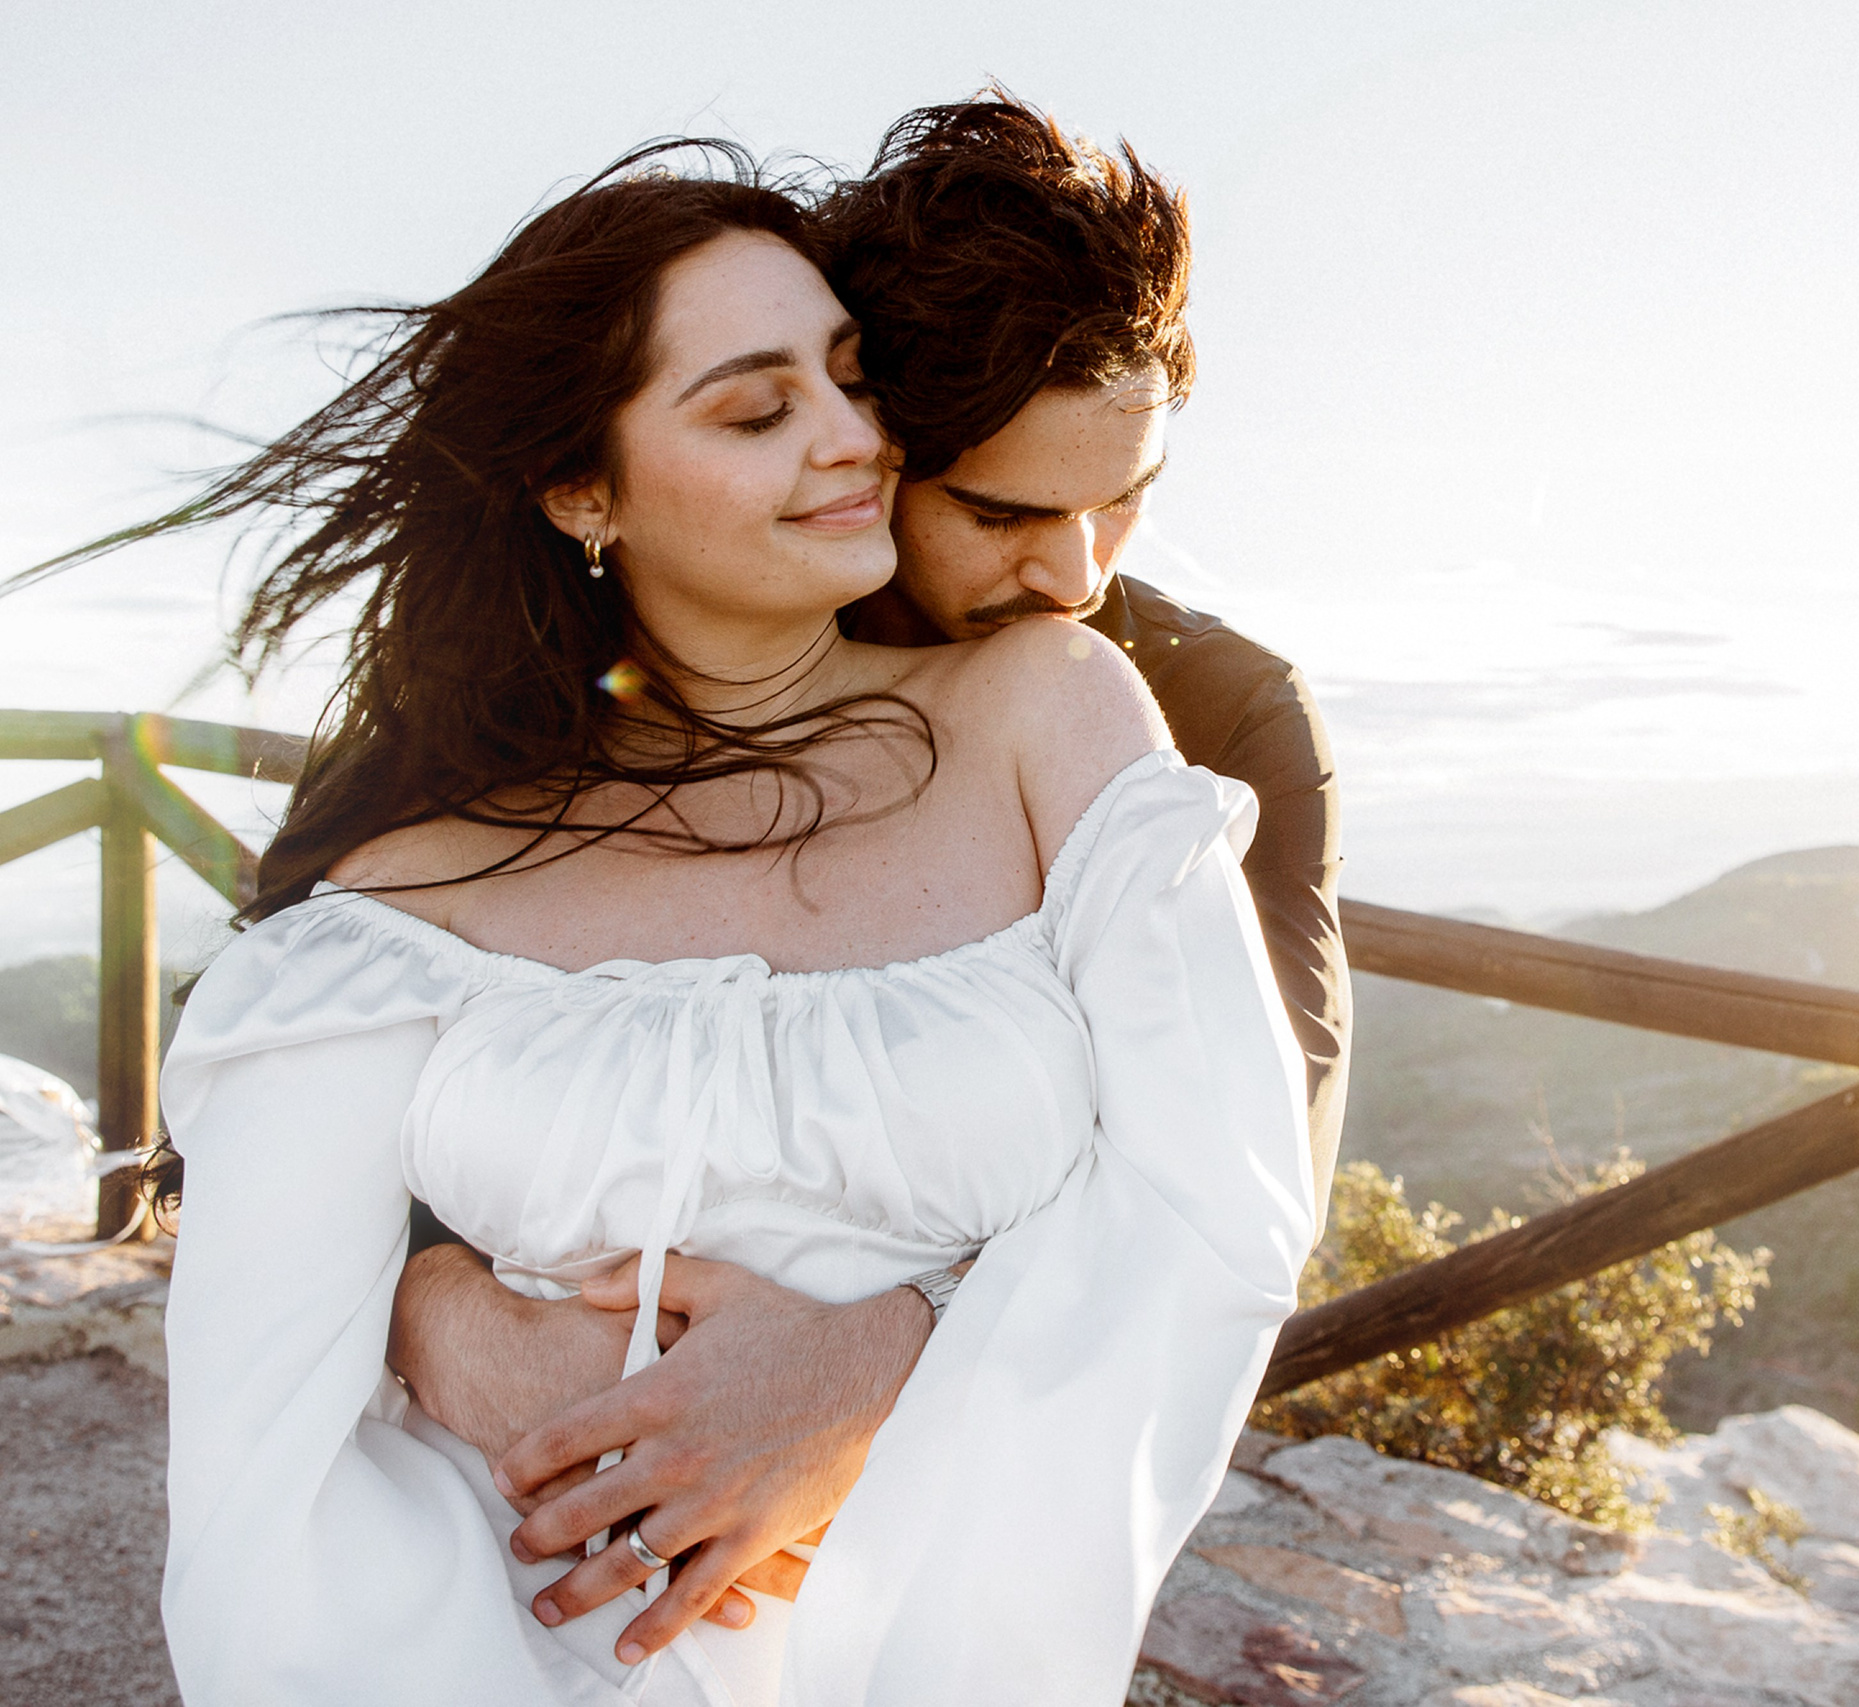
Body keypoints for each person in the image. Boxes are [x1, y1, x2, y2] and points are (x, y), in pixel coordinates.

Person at [101, 141, 1316, 1704]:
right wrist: (436, 1313)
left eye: (854, 378)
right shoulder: (406, 877)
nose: (857, 442)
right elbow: (265, 1483)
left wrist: (900, 1357)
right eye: (759, 409)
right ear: (580, 489)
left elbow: (1225, 1193)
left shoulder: (1060, 708)